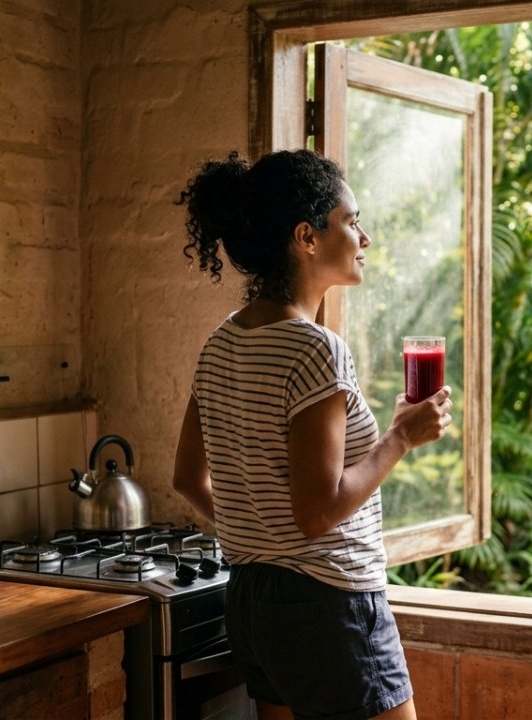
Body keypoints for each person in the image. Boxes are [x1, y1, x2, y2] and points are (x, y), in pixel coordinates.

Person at [171, 149, 453, 720]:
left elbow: (187, 479)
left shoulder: (221, 343)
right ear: (307, 237)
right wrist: (399, 438)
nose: (365, 238)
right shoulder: (315, 350)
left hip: (252, 602)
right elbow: (318, 513)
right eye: (351, 222)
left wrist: (263, 539)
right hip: (329, 605)